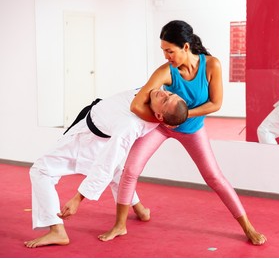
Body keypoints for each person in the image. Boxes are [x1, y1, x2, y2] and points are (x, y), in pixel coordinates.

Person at [98, 20, 267, 246]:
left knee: (215, 178)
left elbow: (216, 104)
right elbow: (136, 105)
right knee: (130, 170)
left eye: (170, 51)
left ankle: (248, 227)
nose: (166, 56)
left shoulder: (211, 65)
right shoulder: (166, 71)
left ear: (185, 47)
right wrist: (166, 122)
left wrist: (185, 116)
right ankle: (120, 225)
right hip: (161, 128)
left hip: (192, 130)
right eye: (163, 51)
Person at [24, 88, 188, 248]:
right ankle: (140, 210)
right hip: (90, 128)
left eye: (165, 99)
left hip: (88, 141)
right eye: (170, 93)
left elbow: (105, 166)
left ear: (159, 116)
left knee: (41, 170)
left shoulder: (130, 126)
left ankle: (56, 229)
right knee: (117, 174)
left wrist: (77, 199)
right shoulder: (152, 93)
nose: (163, 93)